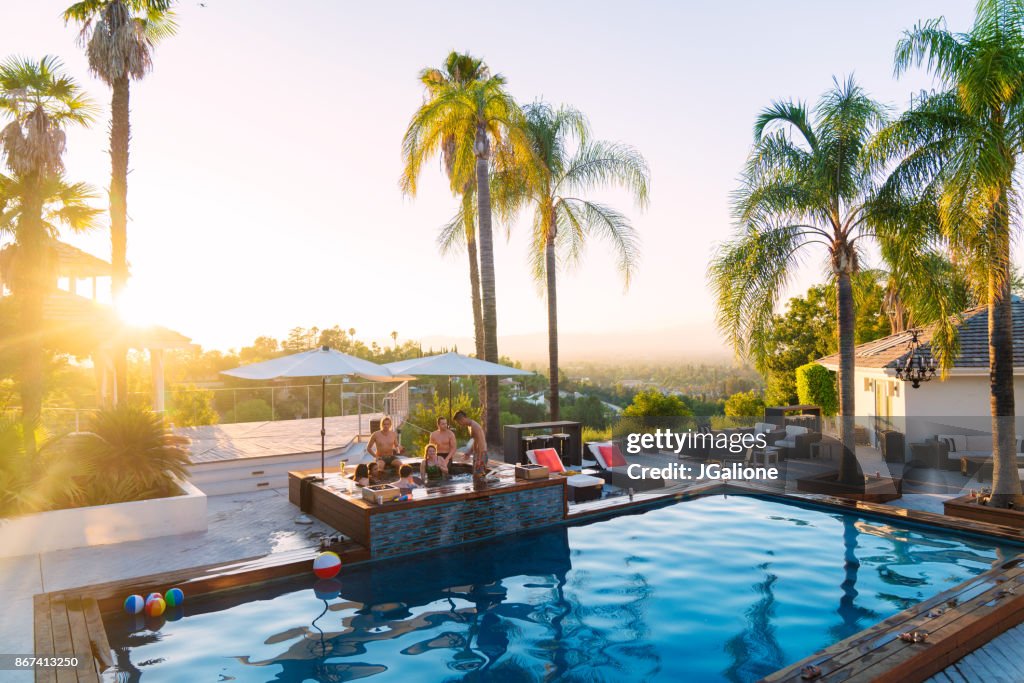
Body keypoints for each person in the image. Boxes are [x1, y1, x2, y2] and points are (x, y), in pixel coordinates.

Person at [453, 410, 487, 479]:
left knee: (479, 478)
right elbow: (475, 441)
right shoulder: (470, 426)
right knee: (476, 477)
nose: (459, 424)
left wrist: (479, 460)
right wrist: (469, 452)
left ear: (462, 419)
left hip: (481, 455)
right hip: (477, 454)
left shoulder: (475, 427)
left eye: (458, 422)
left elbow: (481, 444)